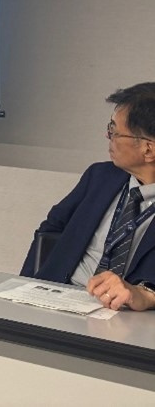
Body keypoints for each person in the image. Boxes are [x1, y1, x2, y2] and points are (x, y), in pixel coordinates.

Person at [21, 83, 155, 311]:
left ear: (148, 150)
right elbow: (51, 229)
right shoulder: (100, 177)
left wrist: (143, 295)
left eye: (114, 131)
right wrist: (24, 286)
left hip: (121, 314)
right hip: (59, 297)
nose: (107, 136)